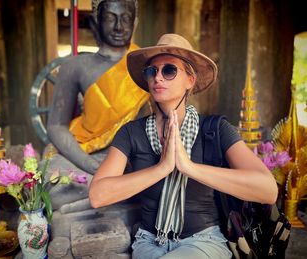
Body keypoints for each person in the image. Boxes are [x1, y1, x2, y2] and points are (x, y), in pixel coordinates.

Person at [89, 34, 278, 258]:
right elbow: (97, 196)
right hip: (149, 241)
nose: (158, 77)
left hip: (203, 240)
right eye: (152, 71)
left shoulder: (215, 129)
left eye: (169, 70)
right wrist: (162, 168)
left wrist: (189, 167)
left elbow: (268, 190)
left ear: (190, 80)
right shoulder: (132, 133)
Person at [46, 0, 149, 212]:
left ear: (135, 23)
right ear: (95, 21)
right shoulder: (75, 66)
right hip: (90, 155)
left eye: (126, 18)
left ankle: (100, 197)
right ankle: (111, 196)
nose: (119, 26)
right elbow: (56, 126)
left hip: (133, 159)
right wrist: (89, 164)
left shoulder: (148, 64)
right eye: (111, 18)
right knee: (52, 184)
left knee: (160, 179)